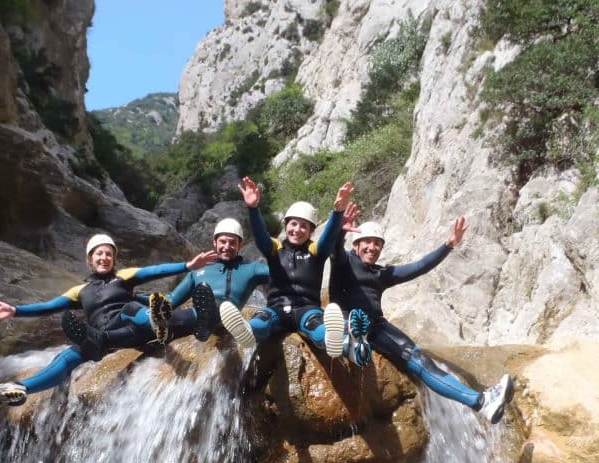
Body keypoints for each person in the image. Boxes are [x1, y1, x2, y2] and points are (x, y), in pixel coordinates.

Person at [0, 234, 216, 407]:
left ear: (114, 259)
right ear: (90, 259)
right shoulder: (79, 291)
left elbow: (155, 270)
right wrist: (15, 310)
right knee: (68, 356)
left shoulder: (123, 276)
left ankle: (157, 322)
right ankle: (20, 389)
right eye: (99, 254)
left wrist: (187, 265)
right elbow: (48, 307)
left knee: (132, 306)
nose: (104, 258)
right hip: (101, 339)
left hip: (131, 326)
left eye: (109, 254)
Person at [328, 206, 515, 424]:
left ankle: (481, 403)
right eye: (367, 242)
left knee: (420, 360)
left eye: (377, 243)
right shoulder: (344, 262)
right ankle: (346, 338)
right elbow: (334, 249)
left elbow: (418, 267)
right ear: (356, 244)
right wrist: (340, 229)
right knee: (348, 320)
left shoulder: (382, 274)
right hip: (346, 316)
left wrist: (449, 245)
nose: (372, 247)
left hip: (376, 326)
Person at [217, 177, 350, 355]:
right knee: (261, 320)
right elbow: (260, 236)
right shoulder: (275, 247)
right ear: (286, 225)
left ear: (311, 231)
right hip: (276, 308)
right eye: (293, 224)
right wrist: (253, 208)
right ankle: (248, 332)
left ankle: (330, 340)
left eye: (304, 226)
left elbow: (329, 237)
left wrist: (337, 212)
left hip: (307, 309)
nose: (297, 229)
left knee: (316, 325)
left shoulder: (316, 250)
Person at [163, 217, 270, 340]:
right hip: (197, 316)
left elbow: (281, 275)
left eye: (232, 242)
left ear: (240, 245)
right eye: (223, 241)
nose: (227, 246)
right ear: (215, 242)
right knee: (163, 319)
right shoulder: (199, 268)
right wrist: (138, 300)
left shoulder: (252, 268)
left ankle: (207, 319)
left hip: (227, 318)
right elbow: (171, 300)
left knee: (216, 307)